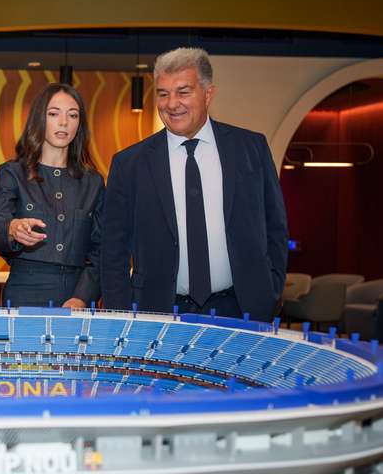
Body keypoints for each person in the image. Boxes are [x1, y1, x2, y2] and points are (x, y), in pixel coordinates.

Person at [101, 47, 288, 322]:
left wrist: (269, 292)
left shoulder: (251, 148)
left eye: (183, 92)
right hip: (158, 315)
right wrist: (122, 315)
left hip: (242, 310)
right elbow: (112, 250)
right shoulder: (129, 164)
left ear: (208, 93)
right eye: (163, 94)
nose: (172, 104)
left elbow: (275, 227)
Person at [0, 83, 103, 308]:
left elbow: (101, 251)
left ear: (80, 124)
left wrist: (82, 297)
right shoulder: (13, 173)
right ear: (39, 119)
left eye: (73, 115)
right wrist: (11, 228)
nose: (64, 122)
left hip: (75, 296)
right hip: (24, 293)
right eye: (54, 113)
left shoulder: (93, 182)